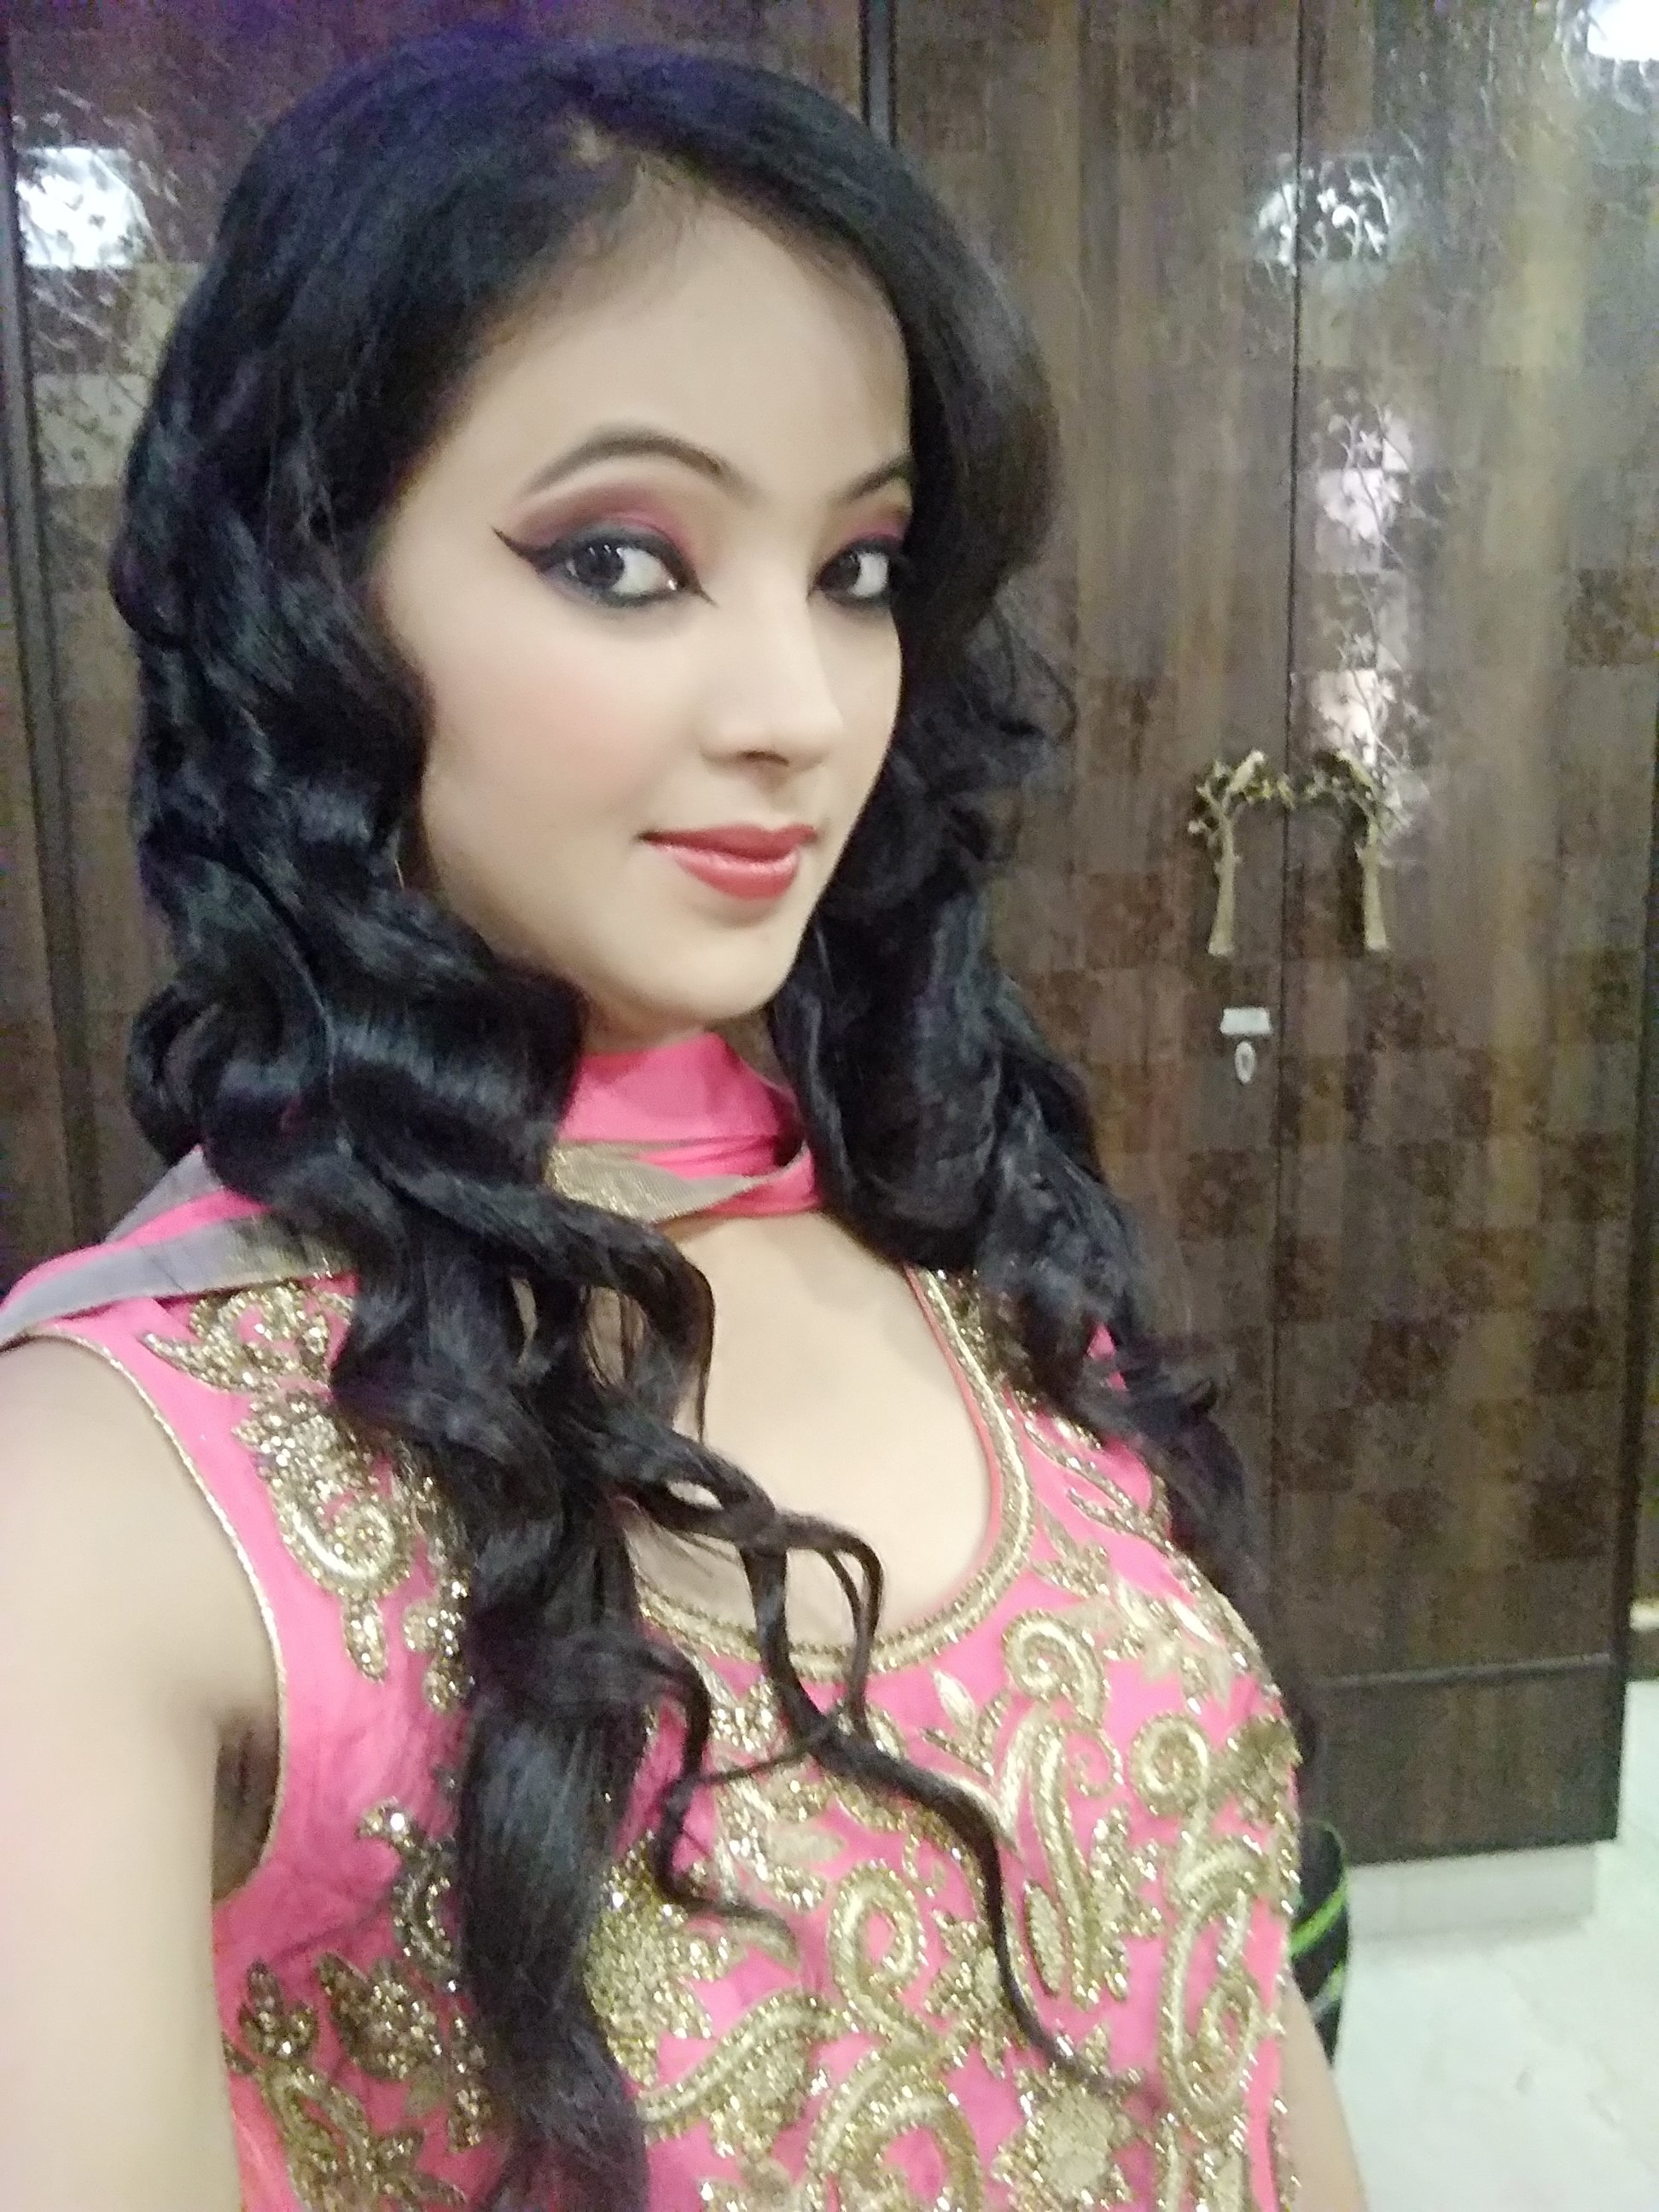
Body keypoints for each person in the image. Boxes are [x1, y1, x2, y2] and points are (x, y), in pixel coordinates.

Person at [0, 31, 1366, 2212]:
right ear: (316, 593)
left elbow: (1227, 1998)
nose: (799, 711)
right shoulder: (102, 1506)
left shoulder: (951, 1213)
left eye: (857, 569)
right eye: (625, 560)